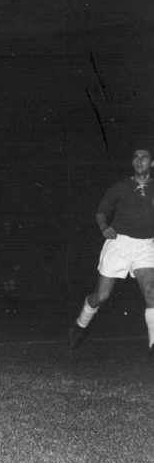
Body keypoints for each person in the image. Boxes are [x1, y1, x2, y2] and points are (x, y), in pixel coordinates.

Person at [70, 148, 154, 357]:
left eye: (144, 157)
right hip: (119, 243)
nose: (139, 160)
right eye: (135, 157)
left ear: (152, 163)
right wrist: (103, 226)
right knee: (102, 295)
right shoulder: (121, 186)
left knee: (151, 292)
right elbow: (101, 212)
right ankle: (80, 325)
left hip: (145, 246)